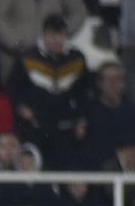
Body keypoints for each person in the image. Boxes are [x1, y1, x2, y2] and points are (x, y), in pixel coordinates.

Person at [9, 16, 89, 168]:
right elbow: (13, 88)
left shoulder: (77, 59)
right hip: (36, 128)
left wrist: (81, 119)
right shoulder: (27, 58)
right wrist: (21, 108)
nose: (56, 40)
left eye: (60, 35)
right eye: (52, 35)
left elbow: (84, 92)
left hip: (67, 130)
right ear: (44, 35)